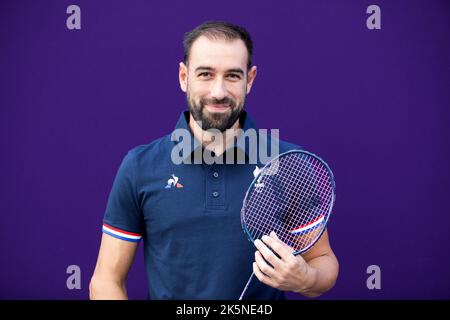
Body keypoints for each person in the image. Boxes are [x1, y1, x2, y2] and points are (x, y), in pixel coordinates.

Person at [89, 21, 339, 300]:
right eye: (205, 74)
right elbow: (105, 281)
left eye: (232, 76)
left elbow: (323, 261)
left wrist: (306, 278)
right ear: (184, 77)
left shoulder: (287, 163)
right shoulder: (139, 166)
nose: (218, 91)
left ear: (250, 80)